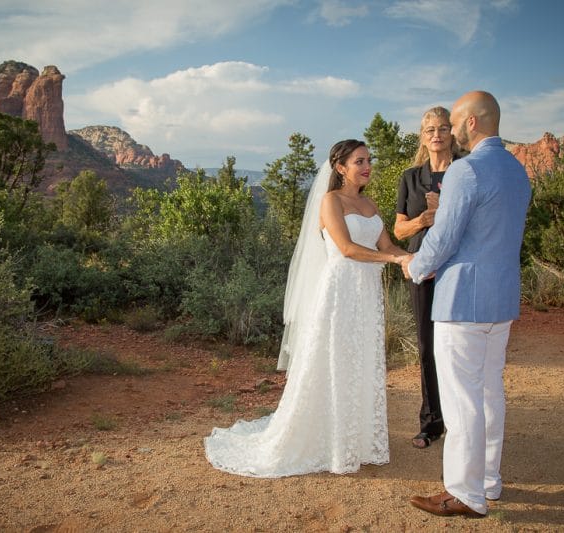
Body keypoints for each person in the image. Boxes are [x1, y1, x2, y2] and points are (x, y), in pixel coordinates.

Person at [204, 139, 408, 477]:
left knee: (360, 361)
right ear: (341, 168)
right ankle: (328, 439)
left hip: (366, 294)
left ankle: (355, 439)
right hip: (340, 293)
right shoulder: (331, 201)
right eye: (360, 161)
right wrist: (392, 259)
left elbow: (386, 243)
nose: (367, 165)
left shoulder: (370, 205)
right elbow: (346, 248)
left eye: (369, 159)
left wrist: (408, 257)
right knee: (333, 362)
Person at [401, 91, 531, 518]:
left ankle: (465, 493)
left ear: (471, 123)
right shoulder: (516, 170)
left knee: (462, 401)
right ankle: (489, 481)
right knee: (490, 393)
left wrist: (417, 267)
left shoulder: (466, 170)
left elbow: (444, 237)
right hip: (501, 298)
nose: (452, 130)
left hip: (462, 301)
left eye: (455, 122)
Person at [393, 106, 459, 449]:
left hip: (457, 267)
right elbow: (399, 229)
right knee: (426, 345)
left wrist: (444, 210)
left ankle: (460, 421)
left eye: (443, 128)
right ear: (423, 136)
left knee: (457, 345)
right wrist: (426, 219)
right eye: (430, 129)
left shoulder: (465, 171)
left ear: (453, 133)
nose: (437, 134)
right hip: (421, 268)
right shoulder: (410, 178)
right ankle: (431, 423)